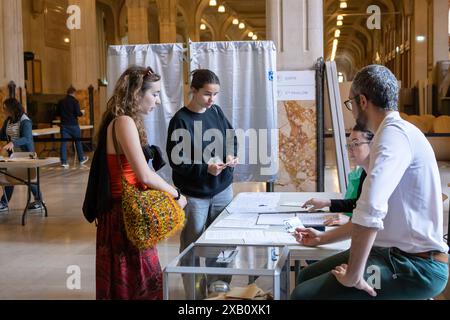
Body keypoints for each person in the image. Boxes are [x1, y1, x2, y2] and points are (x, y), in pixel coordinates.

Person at [291, 65, 448, 300]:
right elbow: (370, 216)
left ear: (362, 101)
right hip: (390, 254)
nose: (352, 111)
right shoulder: (393, 134)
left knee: (304, 295)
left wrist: (354, 274)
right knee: (305, 277)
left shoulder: (393, 136)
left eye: (350, 104)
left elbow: (370, 208)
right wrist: (322, 238)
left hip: (415, 268)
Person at [89, 65, 187, 299]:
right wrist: (176, 195)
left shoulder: (120, 120)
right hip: (125, 216)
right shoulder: (123, 122)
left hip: (120, 215)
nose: (158, 101)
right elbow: (143, 174)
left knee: (127, 282)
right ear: (136, 94)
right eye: (154, 94)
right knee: (140, 281)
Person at [166, 69, 238, 298]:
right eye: (207, 94)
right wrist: (205, 168)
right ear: (193, 90)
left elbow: (231, 138)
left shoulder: (215, 111)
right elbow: (177, 162)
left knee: (226, 242)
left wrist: (230, 156)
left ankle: (218, 288)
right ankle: (196, 295)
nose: (212, 100)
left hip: (222, 189)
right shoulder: (181, 120)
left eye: (215, 94)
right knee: (192, 246)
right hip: (194, 194)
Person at [302, 124, 374, 226]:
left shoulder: (379, 175)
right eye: (349, 145)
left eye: (356, 144)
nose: (350, 149)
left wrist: (349, 220)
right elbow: (358, 203)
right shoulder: (364, 172)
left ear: (373, 145)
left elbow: (382, 216)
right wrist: (326, 202)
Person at [0, 98, 43, 211]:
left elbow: (27, 138)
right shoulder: (8, 120)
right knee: (10, 177)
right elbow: (3, 134)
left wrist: (12, 143)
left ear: (12, 108)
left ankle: (39, 201)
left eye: (5, 108)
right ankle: (4, 203)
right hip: (14, 156)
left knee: (29, 179)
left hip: (26, 155)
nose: (3, 111)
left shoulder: (25, 120)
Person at [56, 86, 88, 168]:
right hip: (73, 125)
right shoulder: (75, 101)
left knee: (63, 143)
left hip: (64, 125)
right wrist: (82, 112)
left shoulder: (61, 101)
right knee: (78, 141)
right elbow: (78, 113)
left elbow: (57, 113)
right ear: (74, 93)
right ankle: (81, 159)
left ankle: (64, 162)